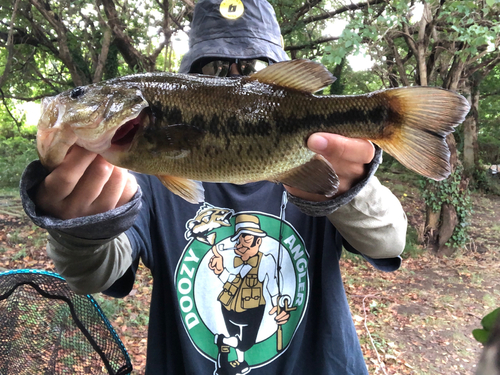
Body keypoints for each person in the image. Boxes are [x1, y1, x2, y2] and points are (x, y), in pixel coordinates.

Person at [20, 0, 407, 374]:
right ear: (190, 76)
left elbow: (390, 241)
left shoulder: (324, 164)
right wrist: (81, 232)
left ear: (282, 74)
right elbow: (91, 275)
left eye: (255, 67)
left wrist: (349, 189)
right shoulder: (146, 177)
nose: (235, 78)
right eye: (215, 67)